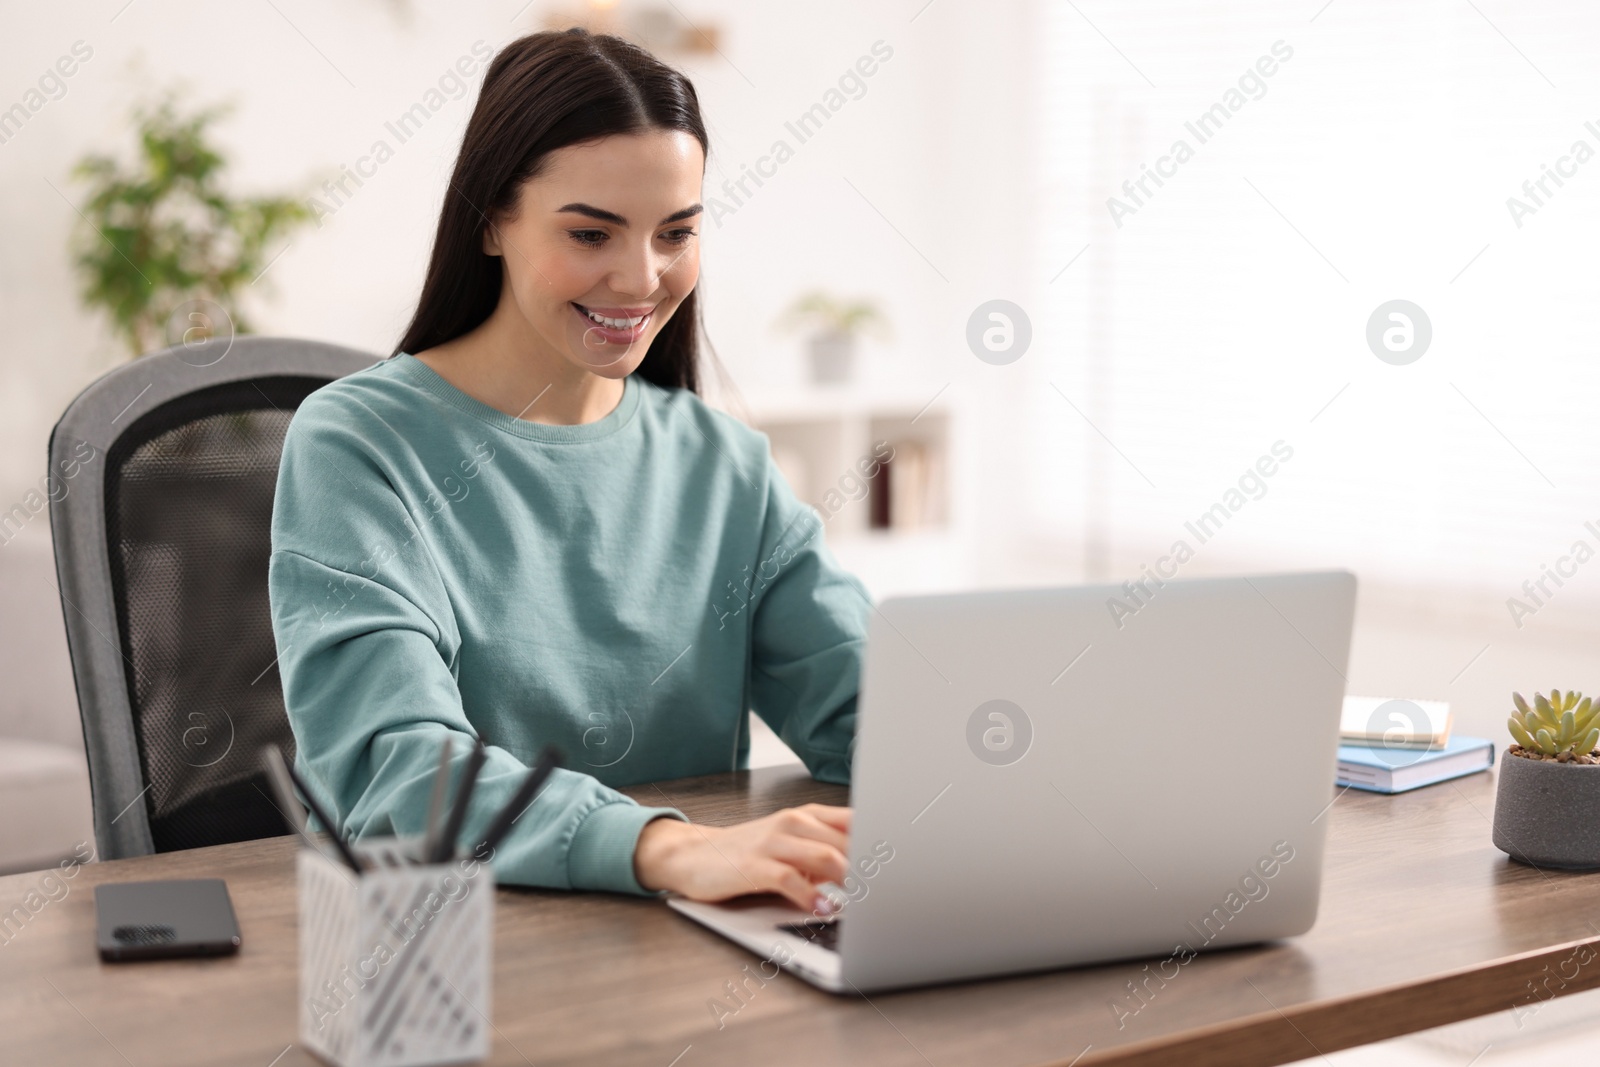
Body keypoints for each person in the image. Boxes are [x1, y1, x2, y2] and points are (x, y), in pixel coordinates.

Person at [267, 28, 869, 916]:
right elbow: (396, 771)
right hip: (448, 959)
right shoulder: (357, 445)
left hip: (690, 943)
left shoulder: (723, 462)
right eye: (592, 232)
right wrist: (663, 847)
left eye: (678, 232)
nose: (640, 277)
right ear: (490, 220)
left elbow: (871, 704)